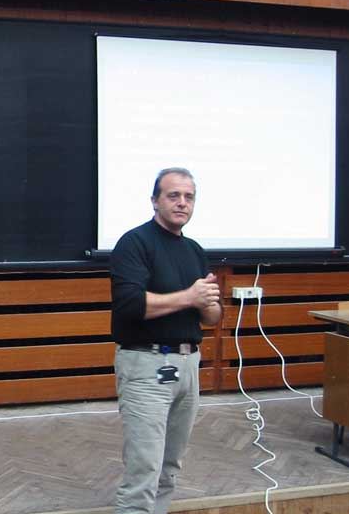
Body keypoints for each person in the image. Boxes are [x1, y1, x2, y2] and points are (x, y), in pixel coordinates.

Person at [110, 167, 221, 514]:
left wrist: (208, 303)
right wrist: (190, 296)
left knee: (170, 468)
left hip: (188, 365)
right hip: (147, 365)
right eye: (173, 195)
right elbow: (130, 305)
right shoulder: (134, 243)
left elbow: (212, 318)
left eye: (189, 197)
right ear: (155, 200)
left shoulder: (194, 250)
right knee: (144, 469)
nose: (182, 203)